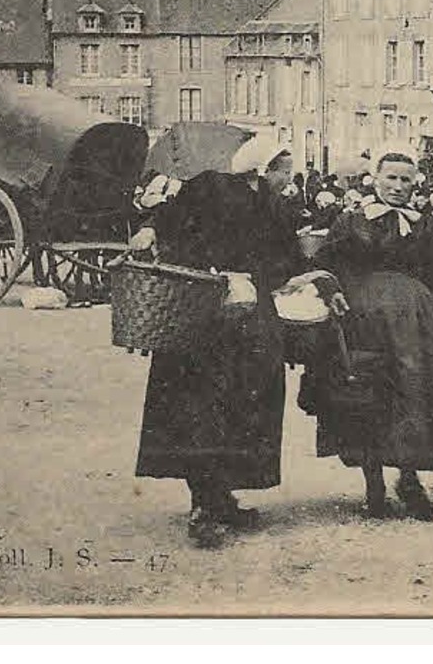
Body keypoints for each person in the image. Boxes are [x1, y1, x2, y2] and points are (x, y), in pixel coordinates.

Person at [128, 138, 302, 548]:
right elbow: (170, 215)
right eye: (285, 172)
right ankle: (202, 505)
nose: (289, 181)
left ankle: (222, 495)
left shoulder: (276, 209)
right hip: (202, 308)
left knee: (248, 401)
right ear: (263, 169)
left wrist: (295, 276)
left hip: (251, 315)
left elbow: (286, 259)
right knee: (199, 404)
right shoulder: (211, 186)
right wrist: (150, 227)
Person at [309, 150, 433, 520]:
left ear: (416, 183)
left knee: (414, 394)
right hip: (366, 322)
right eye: (391, 178)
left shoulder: (424, 225)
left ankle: (409, 480)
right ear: (374, 179)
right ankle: (373, 484)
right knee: (368, 393)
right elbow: (324, 269)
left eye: (405, 180)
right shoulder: (350, 221)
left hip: (417, 323)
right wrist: (333, 297)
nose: (398, 187)